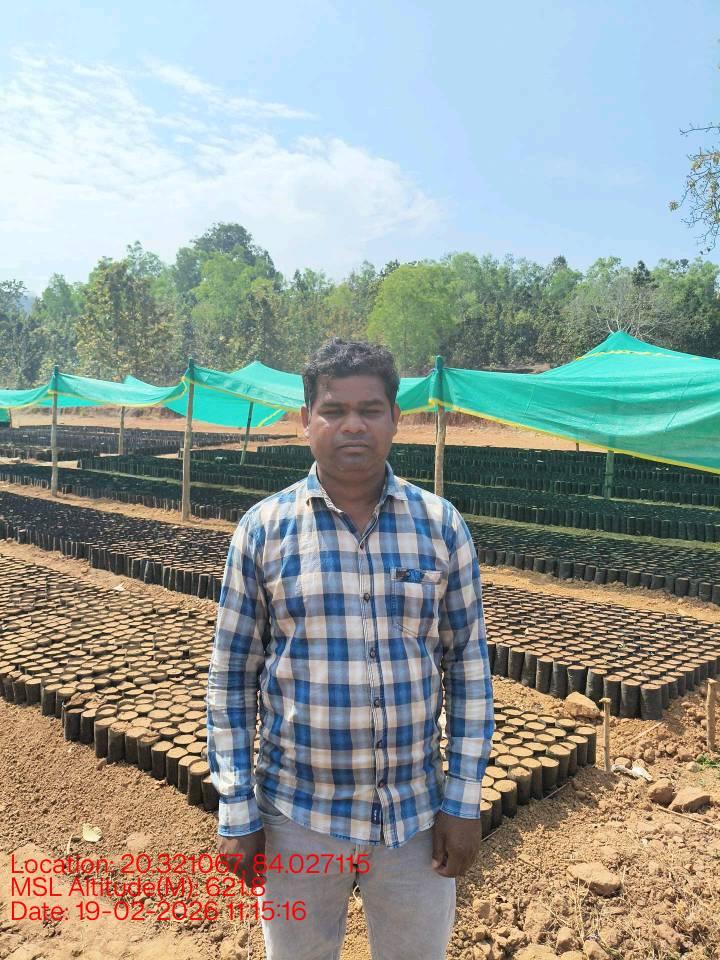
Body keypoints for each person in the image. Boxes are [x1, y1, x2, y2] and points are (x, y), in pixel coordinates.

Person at [206, 338, 494, 960]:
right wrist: (236, 808)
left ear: (395, 419)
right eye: (334, 410)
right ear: (305, 420)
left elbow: (469, 670)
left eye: (370, 409)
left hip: (415, 819)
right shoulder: (263, 530)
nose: (353, 425)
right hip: (296, 817)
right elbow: (230, 680)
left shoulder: (441, 525)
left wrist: (463, 799)